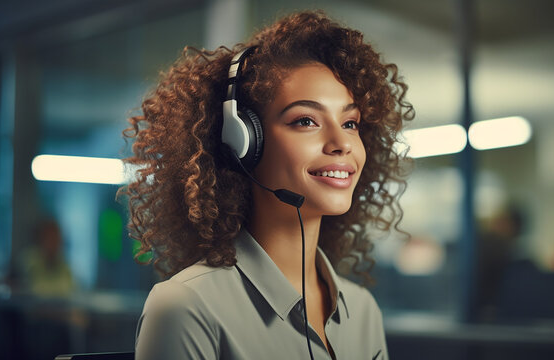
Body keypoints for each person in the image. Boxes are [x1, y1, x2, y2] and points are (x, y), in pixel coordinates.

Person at [120, 10, 413, 360]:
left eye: (350, 123)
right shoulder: (187, 307)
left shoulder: (363, 311)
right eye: (306, 120)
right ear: (243, 141)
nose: (342, 142)